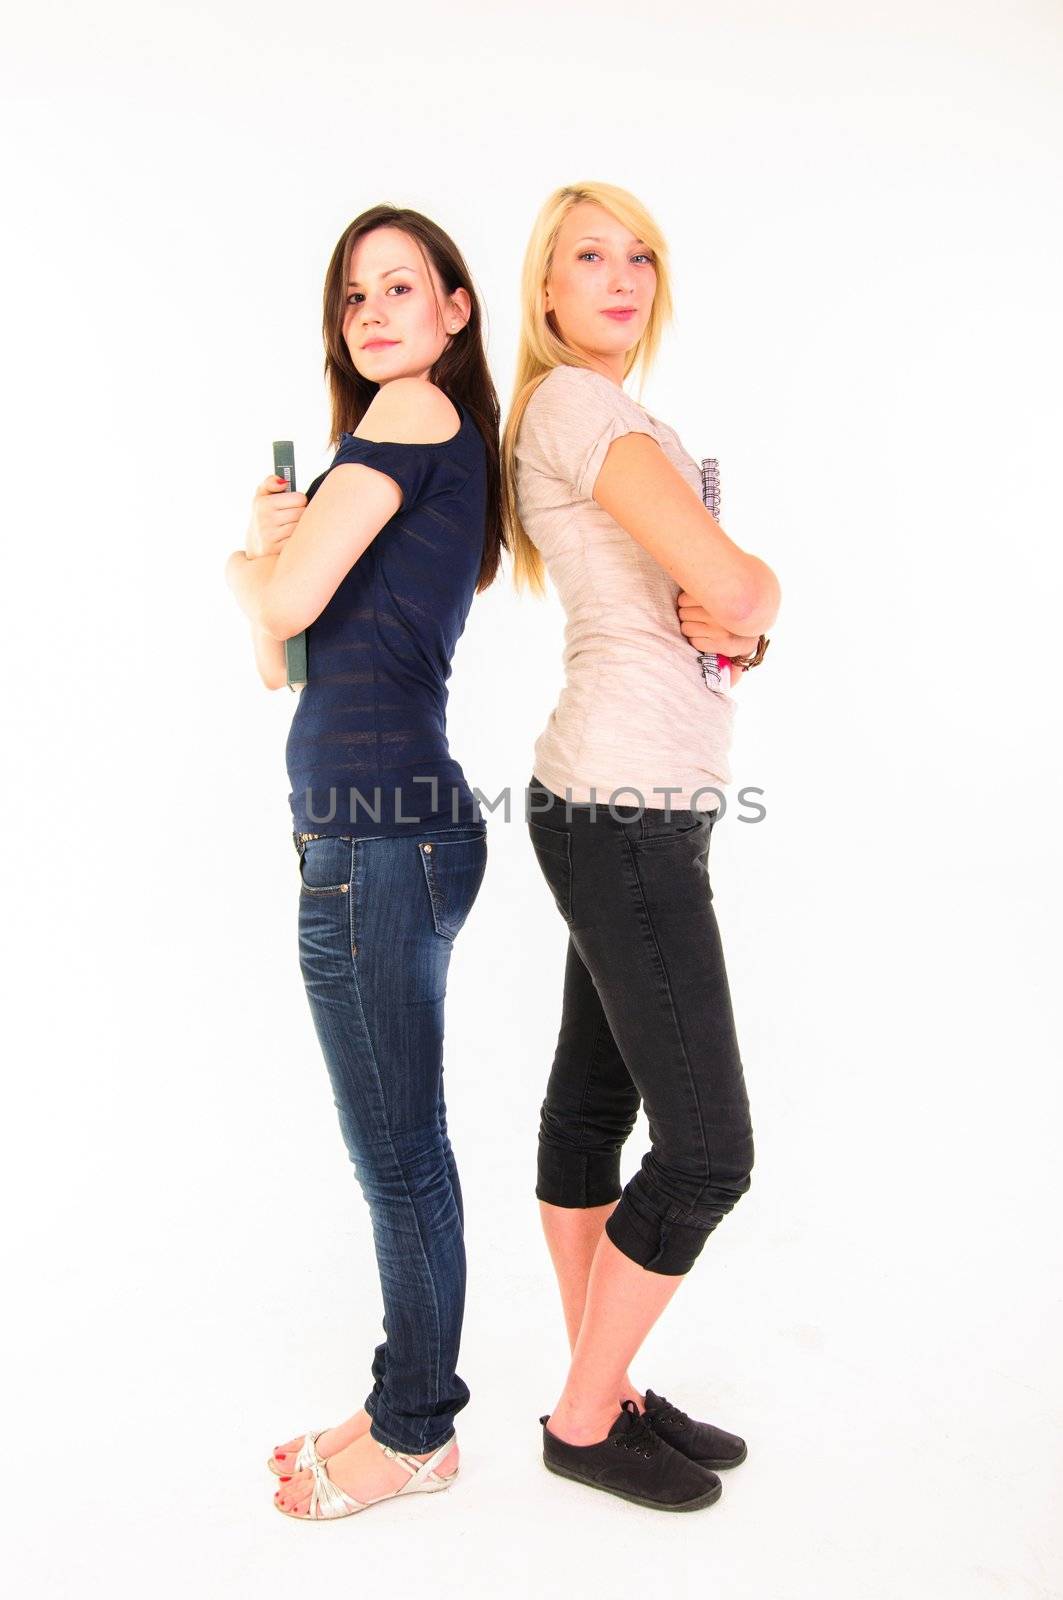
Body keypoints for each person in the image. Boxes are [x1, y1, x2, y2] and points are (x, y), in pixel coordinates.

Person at [502, 181, 780, 1512]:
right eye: (589, 258)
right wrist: (758, 597)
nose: (621, 278)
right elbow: (729, 588)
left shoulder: (625, 416)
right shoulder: (577, 403)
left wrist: (737, 619)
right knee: (708, 1150)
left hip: (628, 802)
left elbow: (710, 615)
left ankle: (600, 1386)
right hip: (621, 811)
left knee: (595, 1110)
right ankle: (580, 1417)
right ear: (544, 292)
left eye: (642, 257)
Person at [224, 204, 503, 1521]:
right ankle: (407, 1395)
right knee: (397, 1148)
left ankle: (416, 1433)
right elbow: (284, 663)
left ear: (456, 311)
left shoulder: (409, 419)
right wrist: (283, 555)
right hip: (366, 832)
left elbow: (270, 614)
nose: (378, 311)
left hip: (382, 836)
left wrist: (248, 560)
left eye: (404, 286)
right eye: (354, 297)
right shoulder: (381, 447)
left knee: (399, 1155)